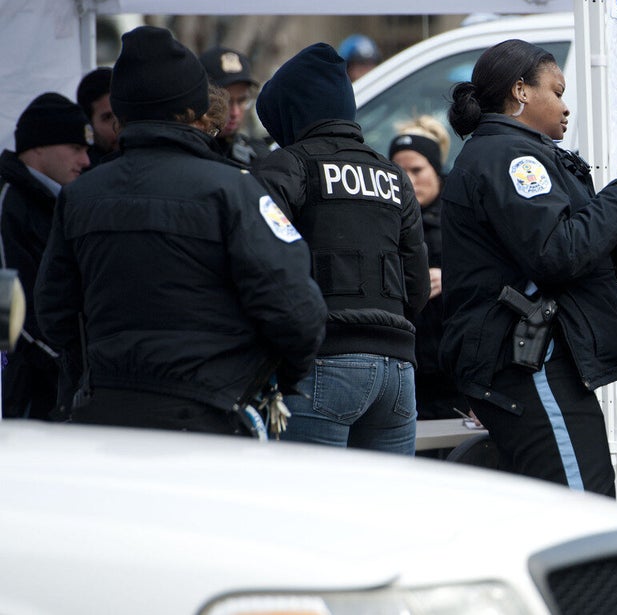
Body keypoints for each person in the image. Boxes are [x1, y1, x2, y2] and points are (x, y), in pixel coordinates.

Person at [34, 26, 327, 436]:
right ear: (195, 107)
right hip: (212, 417)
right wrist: (276, 380)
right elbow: (297, 309)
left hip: (108, 419)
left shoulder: (80, 196)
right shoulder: (234, 189)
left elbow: (55, 313)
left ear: (121, 113)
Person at [439, 39, 617, 496]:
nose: (565, 107)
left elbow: (584, 265)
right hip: (530, 361)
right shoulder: (510, 157)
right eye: (557, 92)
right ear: (520, 91)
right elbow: (559, 253)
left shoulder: (520, 151)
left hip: (537, 360)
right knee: (585, 510)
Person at [255, 43, 430, 454]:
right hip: (398, 373)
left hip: (321, 365)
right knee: (383, 515)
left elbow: (262, 270)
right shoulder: (393, 177)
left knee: (312, 513)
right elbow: (416, 287)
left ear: (292, 111)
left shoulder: (285, 167)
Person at [0, 92, 91, 419]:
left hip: (53, 385)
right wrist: (66, 364)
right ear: (38, 146)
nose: (86, 161)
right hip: (21, 390)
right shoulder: (8, 203)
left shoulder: (58, 202)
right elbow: (9, 312)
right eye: (75, 149)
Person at [388, 116, 460, 422]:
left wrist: (452, 278)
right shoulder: (383, 219)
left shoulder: (461, 215)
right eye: (399, 172)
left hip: (455, 374)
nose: (409, 180)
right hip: (406, 370)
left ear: (436, 171)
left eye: (417, 170)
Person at [198, 46, 272, 169]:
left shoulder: (260, 156)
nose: (235, 112)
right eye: (226, 101)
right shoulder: (185, 153)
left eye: (242, 101)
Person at [75, 67, 119, 168]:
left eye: (123, 112)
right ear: (89, 124)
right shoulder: (81, 173)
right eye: (108, 117)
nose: (118, 126)